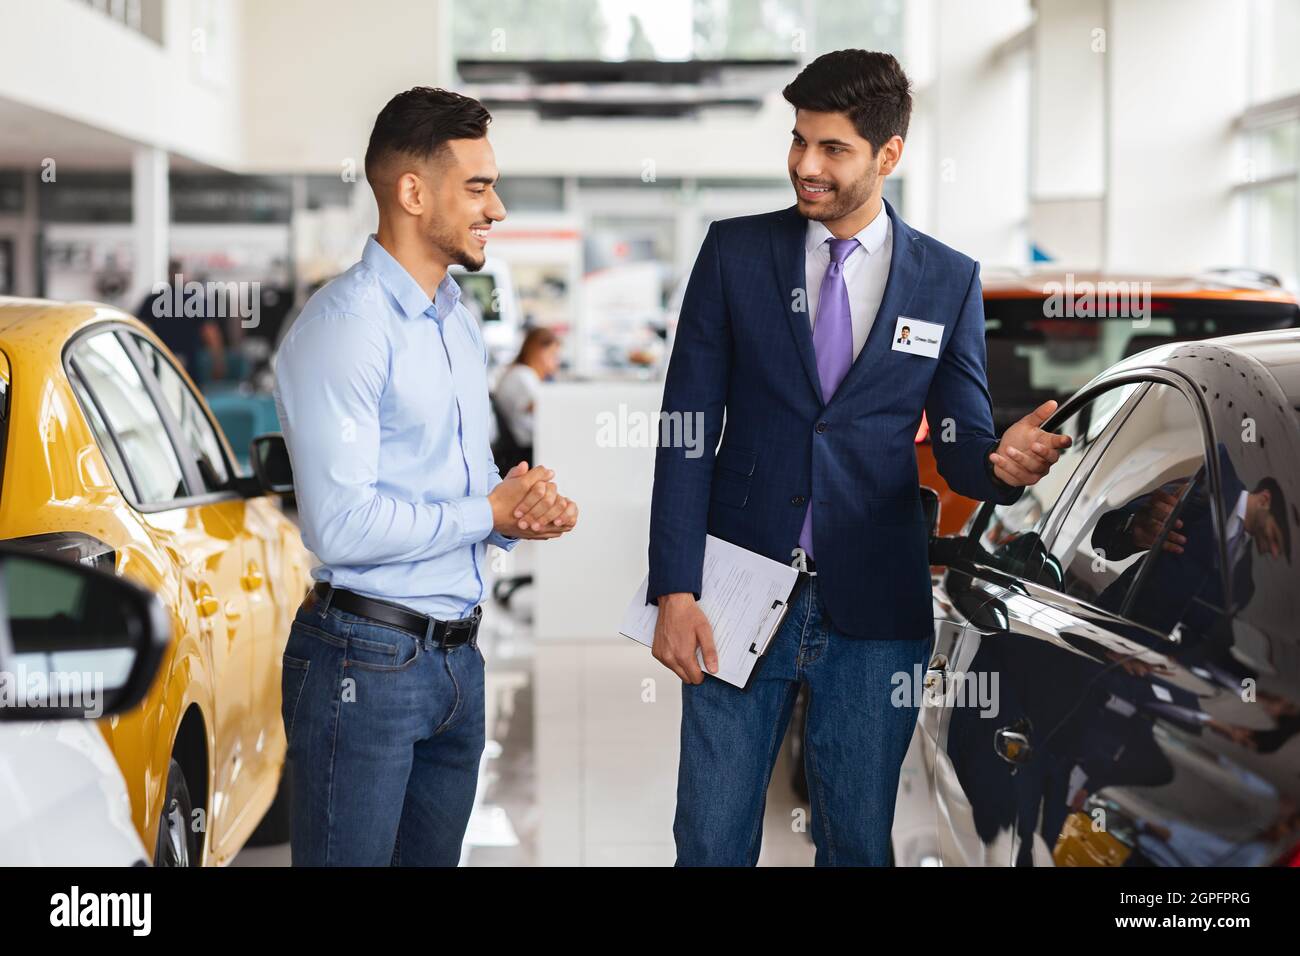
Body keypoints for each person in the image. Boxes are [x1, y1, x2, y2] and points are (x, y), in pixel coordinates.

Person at [647, 49, 1072, 866]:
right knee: (708, 839)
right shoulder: (736, 255)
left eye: (832, 148)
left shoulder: (946, 280)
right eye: (799, 140)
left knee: (855, 842)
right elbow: (685, 428)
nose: (805, 165)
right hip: (735, 590)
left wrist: (1002, 465)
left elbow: (961, 445)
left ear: (889, 155)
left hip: (875, 606)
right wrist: (675, 586)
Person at [272, 87, 579, 866]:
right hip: (364, 662)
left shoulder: (456, 321)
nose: (497, 207)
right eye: (477, 186)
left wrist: (518, 513)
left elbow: (462, 481)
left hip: (456, 663)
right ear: (412, 192)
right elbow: (339, 525)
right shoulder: (345, 329)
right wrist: (489, 513)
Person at [136, 258, 226, 383]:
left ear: (168, 273)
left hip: (162, 359)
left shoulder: (153, 299)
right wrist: (218, 362)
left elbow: (139, 328)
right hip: (188, 363)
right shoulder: (196, 300)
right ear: (185, 274)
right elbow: (210, 332)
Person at [493, 326, 561, 465]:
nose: (556, 362)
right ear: (539, 352)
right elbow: (538, 406)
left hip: (524, 446)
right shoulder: (522, 375)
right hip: (525, 448)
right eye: (553, 355)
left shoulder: (520, 373)